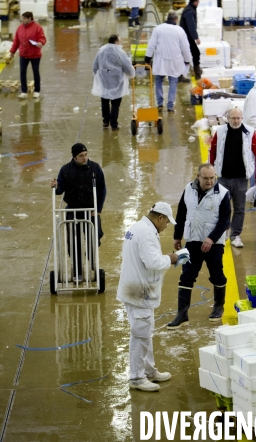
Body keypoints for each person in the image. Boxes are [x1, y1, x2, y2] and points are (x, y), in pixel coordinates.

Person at [116, 202, 178, 392]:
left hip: (134, 288)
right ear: (160, 218)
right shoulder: (146, 233)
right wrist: (172, 258)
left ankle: (149, 370)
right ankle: (136, 377)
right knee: (140, 335)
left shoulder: (137, 227)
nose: (167, 226)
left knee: (146, 332)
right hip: (139, 292)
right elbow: (153, 262)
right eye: (166, 222)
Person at [166, 164, 231, 329]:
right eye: (206, 178)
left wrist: (211, 238)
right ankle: (182, 315)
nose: (210, 181)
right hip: (192, 241)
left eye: (212, 178)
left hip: (214, 244)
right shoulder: (188, 189)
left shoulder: (223, 193)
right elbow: (181, 213)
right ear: (198, 176)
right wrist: (176, 236)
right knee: (186, 275)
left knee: (217, 274)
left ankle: (218, 306)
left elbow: (225, 221)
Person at [50, 143, 106, 281]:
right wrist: (55, 186)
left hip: (91, 210)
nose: (85, 158)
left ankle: (91, 259)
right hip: (73, 209)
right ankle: (77, 270)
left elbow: (102, 190)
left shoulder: (95, 168)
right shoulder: (65, 170)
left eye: (86, 154)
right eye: (81, 156)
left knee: (95, 236)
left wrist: (97, 210)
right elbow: (60, 190)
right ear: (74, 157)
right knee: (74, 241)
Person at [209, 108, 256, 248]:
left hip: (241, 178)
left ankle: (235, 235)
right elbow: (213, 152)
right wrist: (211, 172)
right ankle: (223, 231)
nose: (236, 121)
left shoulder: (249, 132)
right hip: (223, 177)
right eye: (233, 118)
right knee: (222, 207)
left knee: (239, 209)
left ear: (242, 118)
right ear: (228, 118)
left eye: (238, 118)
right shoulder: (220, 132)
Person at [145, 11, 192, 113]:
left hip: (160, 60)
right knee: (173, 82)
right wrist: (187, 60)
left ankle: (160, 104)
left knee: (158, 80)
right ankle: (170, 106)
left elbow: (151, 45)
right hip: (175, 61)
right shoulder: (180, 30)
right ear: (176, 19)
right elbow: (185, 47)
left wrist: (147, 58)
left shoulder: (158, 29)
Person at [92, 35, 135, 130]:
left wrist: (98, 75)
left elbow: (95, 65)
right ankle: (114, 124)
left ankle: (105, 121)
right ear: (116, 42)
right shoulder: (120, 52)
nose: (121, 43)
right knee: (116, 103)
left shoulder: (101, 50)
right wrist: (131, 74)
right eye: (120, 41)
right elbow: (127, 65)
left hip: (104, 79)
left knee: (104, 100)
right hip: (117, 80)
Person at [10, 12, 46, 99]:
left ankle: (37, 91)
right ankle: (24, 92)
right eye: (22, 18)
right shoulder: (20, 28)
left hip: (35, 55)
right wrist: (12, 52)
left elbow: (42, 38)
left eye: (25, 18)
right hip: (23, 54)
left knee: (35, 72)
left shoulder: (37, 27)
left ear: (30, 18)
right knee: (22, 72)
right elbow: (16, 41)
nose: (23, 20)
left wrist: (40, 43)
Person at [180, 0, 202, 79]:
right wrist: (196, 38)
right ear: (195, 2)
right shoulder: (189, 11)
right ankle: (195, 73)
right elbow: (191, 25)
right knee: (194, 53)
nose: (199, 2)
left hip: (187, 37)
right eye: (198, 0)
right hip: (186, 37)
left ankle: (196, 72)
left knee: (194, 53)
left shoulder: (191, 9)